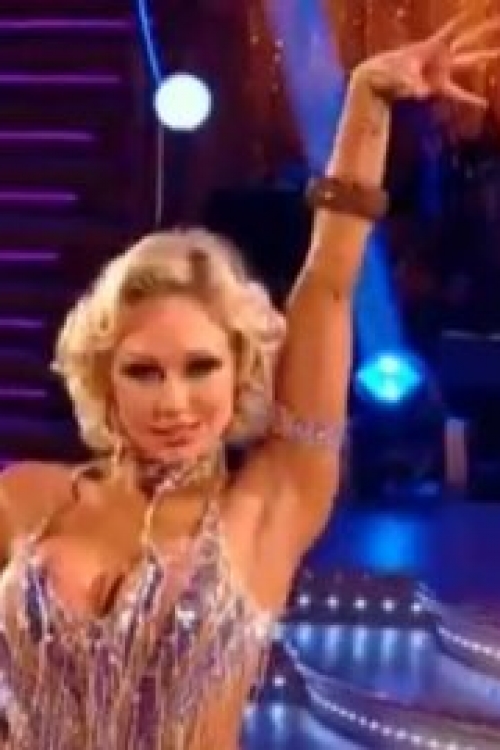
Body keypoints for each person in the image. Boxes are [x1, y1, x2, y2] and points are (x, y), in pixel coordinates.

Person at [0, 13, 496, 750]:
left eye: (201, 366)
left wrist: (366, 102)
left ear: (242, 371)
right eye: (143, 371)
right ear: (103, 377)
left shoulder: (266, 509)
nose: (174, 401)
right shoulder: (24, 499)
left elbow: (329, 284)